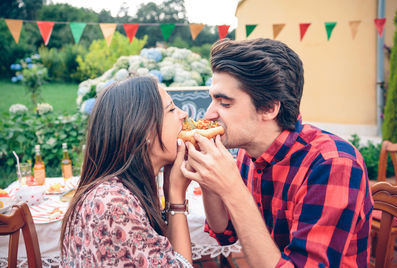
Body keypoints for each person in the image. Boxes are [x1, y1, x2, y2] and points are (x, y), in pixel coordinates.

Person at [181, 38, 373, 268]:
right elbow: (225, 234)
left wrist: (233, 189)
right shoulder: (248, 153)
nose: (209, 114)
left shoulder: (332, 164)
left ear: (269, 108)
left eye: (225, 103)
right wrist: (208, 182)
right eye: (213, 99)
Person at [61, 76, 193, 267]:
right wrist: (177, 197)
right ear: (144, 131)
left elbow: (165, 255)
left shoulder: (126, 188)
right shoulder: (114, 203)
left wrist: (170, 189)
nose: (183, 115)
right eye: (171, 110)